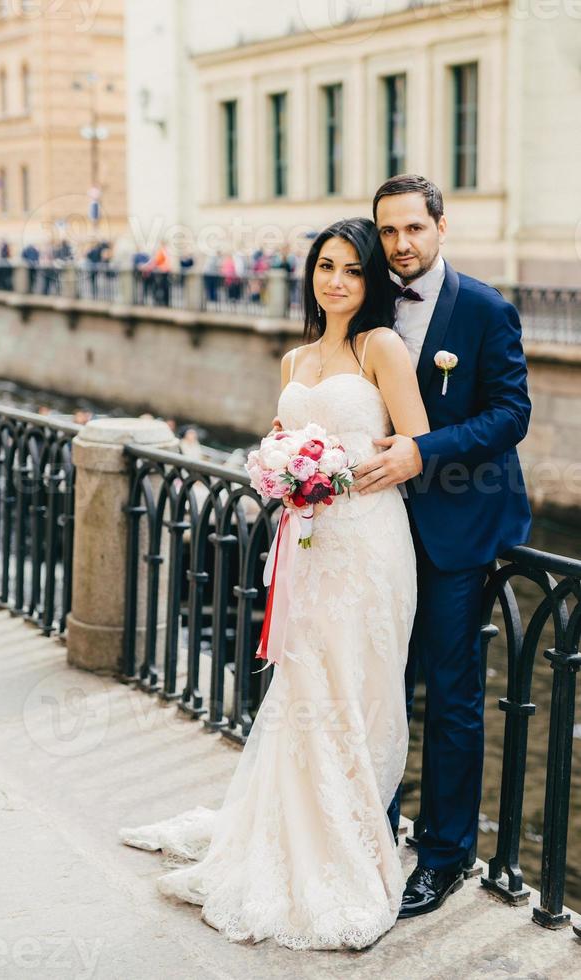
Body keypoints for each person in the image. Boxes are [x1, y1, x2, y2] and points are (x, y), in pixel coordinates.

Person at [118, 217, 431, 950]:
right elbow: (278, 439)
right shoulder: (294, 360)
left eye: (354, 270)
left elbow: (413, 446)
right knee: (304, 687)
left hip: (368, 543)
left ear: (371, 280)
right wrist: (282, 469)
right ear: (310, 275)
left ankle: (348, 844)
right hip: (309, 548)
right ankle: (292, 833)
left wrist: (332, 476)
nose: (338, 282)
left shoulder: (378, 347)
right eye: (327, 267)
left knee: (356, 690)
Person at [353, 174, 531, 918]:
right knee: (379, 683)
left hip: (458, 528)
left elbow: (509, 415)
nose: (400, 245)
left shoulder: (487, 308)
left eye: (413, 230)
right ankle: (374, 830)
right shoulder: (365, 301)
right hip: (376, 527)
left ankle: (447, 853)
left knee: (452, 696)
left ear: (441, 227)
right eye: (388, 232)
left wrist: (424, 450)